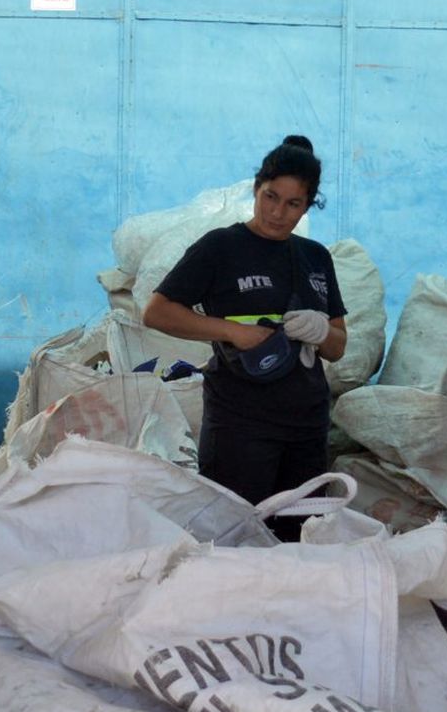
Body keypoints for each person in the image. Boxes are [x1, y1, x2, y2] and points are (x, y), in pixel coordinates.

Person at [143, 135, 347, 540]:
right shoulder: (222, 247)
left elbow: (339, 347)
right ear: (256, 188)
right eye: (270, 196)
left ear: (308, 206)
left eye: (294, 204)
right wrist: (234, 331)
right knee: (235, 539)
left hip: (306, 427)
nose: (277, 212)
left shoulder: (315, 258)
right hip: (241, 423)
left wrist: (322, 330)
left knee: (299, 540)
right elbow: (157, 311)